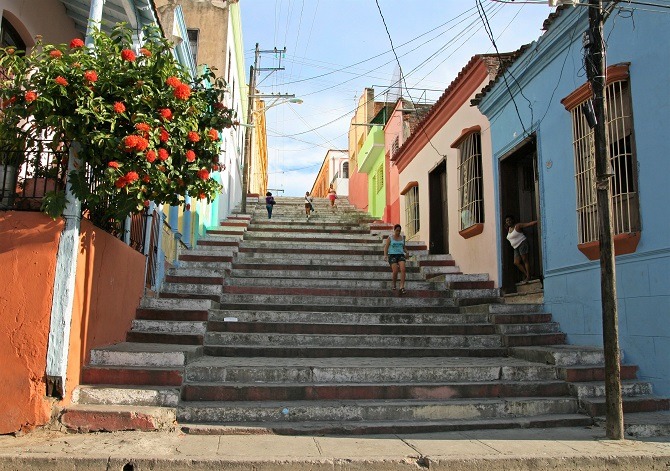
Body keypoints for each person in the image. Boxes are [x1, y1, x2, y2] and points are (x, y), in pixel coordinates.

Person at [504, 215, 537, 284]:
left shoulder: (517, 226)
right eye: (507, 221)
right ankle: (528, 275)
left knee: (525, 260)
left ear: (512, 220)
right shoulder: (508, 229)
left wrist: (538, 221)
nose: (508, 222)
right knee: (516, 262)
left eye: (509, 220)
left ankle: (528, 276)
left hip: (522, 243)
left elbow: (528, 224)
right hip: (515, 247)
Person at [383, 224, 409, 294]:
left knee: (403, 269)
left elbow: (403, 247)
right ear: (394, 230)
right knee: (395, 270)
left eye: (399, 231)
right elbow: (386, 247)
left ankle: (402, 287)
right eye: (397, 231)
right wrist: (385, 255)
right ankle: (394, 284)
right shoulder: (390, 238)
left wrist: (407, 252)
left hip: (400, 255)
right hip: (392, 255)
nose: (398, 232)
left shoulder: (402, 238)